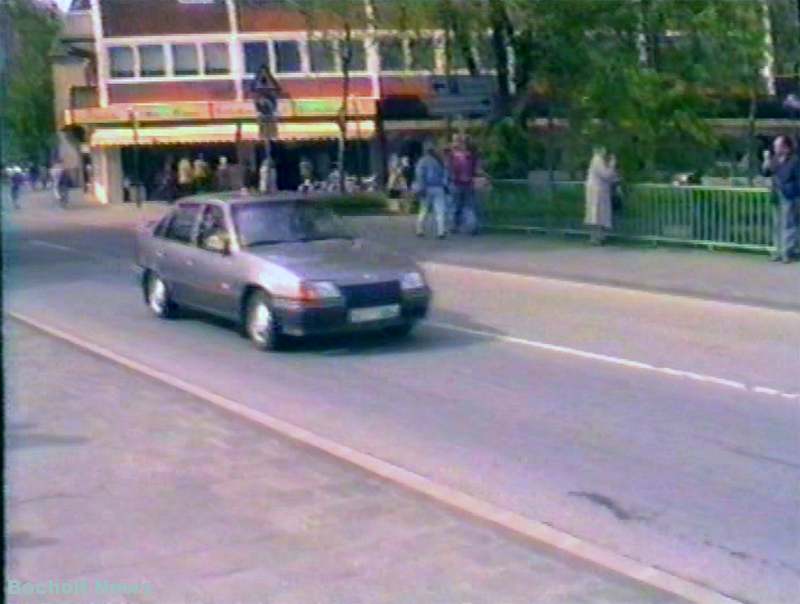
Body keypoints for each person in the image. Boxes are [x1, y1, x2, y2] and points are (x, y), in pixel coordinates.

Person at [762, 135, 800, 263]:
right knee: (777, 223)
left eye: (778, 146)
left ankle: (787, 252)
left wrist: (794, 192)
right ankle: (778, 251)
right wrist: (766, 159)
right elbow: (766, 172)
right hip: (776, 194)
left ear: (786, 147)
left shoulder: (795, 160)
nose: (775, 148)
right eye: (775, 146)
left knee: (788, 224)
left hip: (788, 195)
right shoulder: (774, 159)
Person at [413, 139, 449, 239]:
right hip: (439, 188)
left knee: (423, 209)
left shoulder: (422, 161)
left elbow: (420, 175)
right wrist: (445, 185)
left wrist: (421, 187)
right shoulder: (439, 161)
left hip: (427, 187)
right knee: (440, 210)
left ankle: (420, 229)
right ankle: (441, 231)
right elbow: (445, 174)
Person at [447, 133, 483, 235]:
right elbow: (477, 170)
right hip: (469, 183)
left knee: (455, 206)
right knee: (470, 206)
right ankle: (473, 226)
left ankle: (454, 226)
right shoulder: (472, 156)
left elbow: (450, 169)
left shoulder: (454, 156)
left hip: (456, 184)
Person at [584, 147, 618, 245]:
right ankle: (596, 238)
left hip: (599, 190)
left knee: (598, 214)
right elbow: (605, 174)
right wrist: (612, 164)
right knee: (597, 214)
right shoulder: (597, 159)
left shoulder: (598, 160)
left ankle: (598, 237)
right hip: (597, 191)